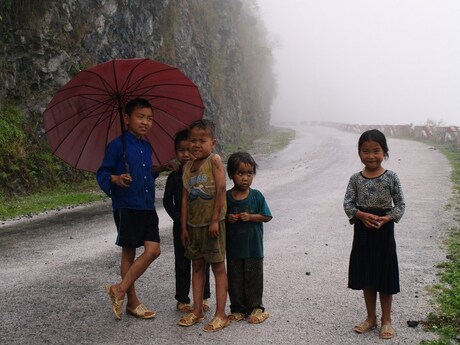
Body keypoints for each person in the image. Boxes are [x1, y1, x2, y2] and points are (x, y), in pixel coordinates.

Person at [97, 98, 170, 320]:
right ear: (126, 119)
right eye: (141, 117)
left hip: (147, 205)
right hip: (127, 205)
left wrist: (162, 168)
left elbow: (145, 172)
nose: (146, 122)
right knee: (128, 251)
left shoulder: (145, 145)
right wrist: (116, 178)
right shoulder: (117, 145)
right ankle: (132, 302)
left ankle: (118, 289)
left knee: (153, 250)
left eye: (150, 118)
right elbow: (102, 173)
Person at [343, 129, 405, 340]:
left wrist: (388, 218)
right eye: (365, 151)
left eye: (376, 151)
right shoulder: (355, 179)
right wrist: (360, 215)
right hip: (363, 232)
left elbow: (400, 204)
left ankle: (386, 320)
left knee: (384, 275)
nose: (371, 155)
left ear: (384, 152)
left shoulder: (391, 177)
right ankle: (371, 318)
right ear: (359, 153)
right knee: (367, 275)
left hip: (384, 230)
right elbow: (348, 203)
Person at [177, 119, 230, 332]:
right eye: (192, 140)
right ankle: (197, 310)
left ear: (213, 143)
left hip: (212, 225)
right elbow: (184, 199)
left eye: (202, 140)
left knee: (217, 267)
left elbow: (221, 190)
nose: (196, 144)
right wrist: (183, 227)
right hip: (193, 226)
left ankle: (221, 314)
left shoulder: (214, 160)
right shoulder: (187, 167)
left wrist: (215, 220)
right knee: (197, 266)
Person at [163, 129, 211, 314]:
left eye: (189, 150)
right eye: (180, 151)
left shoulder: (202, 172)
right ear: (175, 152)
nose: (185, 155)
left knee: (203, 261)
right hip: (180, 227)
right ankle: (182, 299)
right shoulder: (174, 177)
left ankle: (204, 296)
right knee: (182, 262)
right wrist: (179, 219)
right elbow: (167, 202)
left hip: (200, 224)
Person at [225, 152, 272, 324]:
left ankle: (256, 308)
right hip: (234, 249)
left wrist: (251, 217)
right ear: (231, 174)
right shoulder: (226, 197)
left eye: (249, 173)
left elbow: (266, 216)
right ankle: (238, 309)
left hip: (253, 248)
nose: (245, 178)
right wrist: (228, 219)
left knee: (253, 277)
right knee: (235, 278)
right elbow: (220, 217)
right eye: (240, 173)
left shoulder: (257, 196)